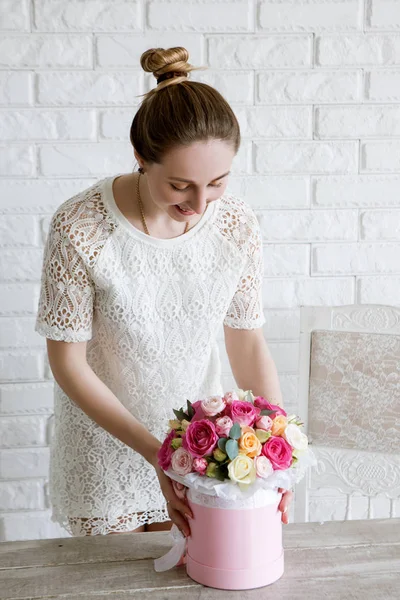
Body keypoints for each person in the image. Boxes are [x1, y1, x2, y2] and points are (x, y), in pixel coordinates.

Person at [34, 46, 293, 538]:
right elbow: (68, 363)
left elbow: (248, 343)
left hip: (204, 449)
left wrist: (279, 447)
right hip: (104, 448)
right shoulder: (80, 227)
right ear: (140, 158)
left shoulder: (236, 225)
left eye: (216, 183)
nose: (199, 204)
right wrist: (156, 455)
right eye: (180, 185)